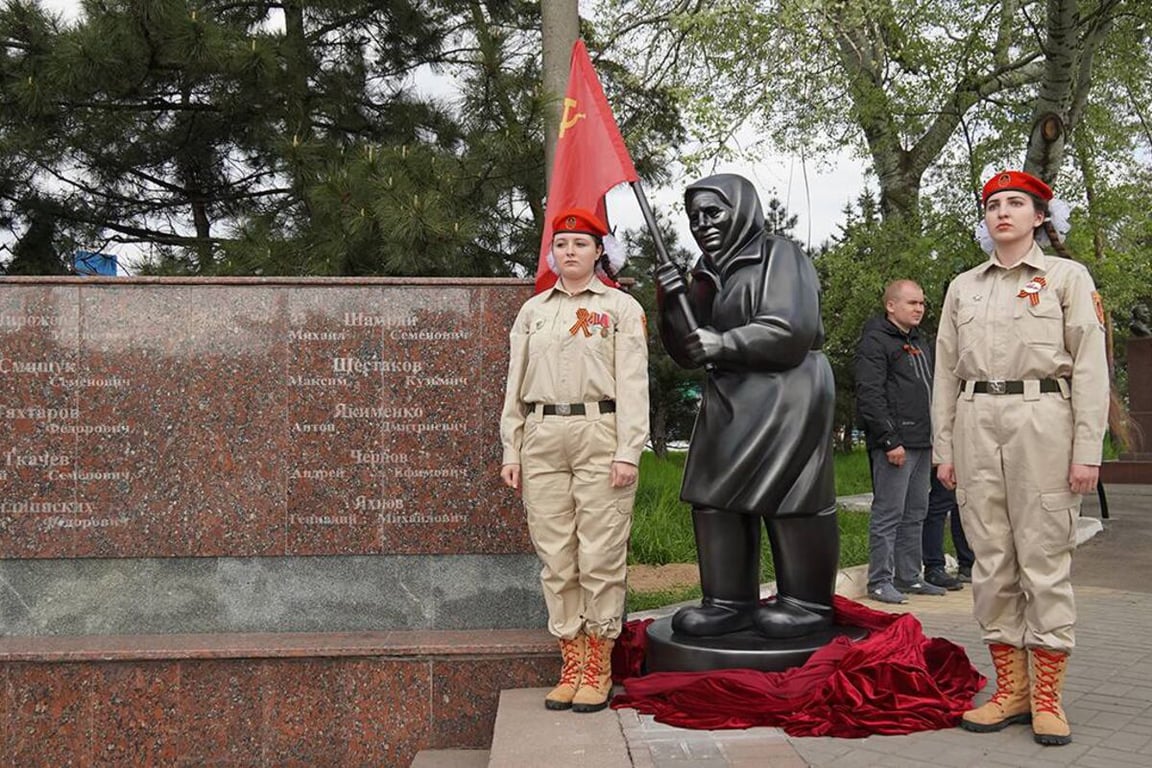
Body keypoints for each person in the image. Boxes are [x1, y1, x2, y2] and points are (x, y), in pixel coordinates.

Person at [933, 170, 1109, 747]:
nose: (1002, 211)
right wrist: (944, 447)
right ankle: (1011, 691)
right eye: (992, 204)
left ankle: (1048, 698)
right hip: (976, 420)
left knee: (1043, 560)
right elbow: (944, 373)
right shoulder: (964, 287)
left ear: (1040, 217)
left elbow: (1089, 367)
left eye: (1016, 203)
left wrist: (1088, 450)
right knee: (990, 562)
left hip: (1044, 422)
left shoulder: (1066, 277)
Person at [655, 173, 839, 640]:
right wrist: (671, 304)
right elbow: (687, 352)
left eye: (712, 212)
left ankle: (806, 601)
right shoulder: (705, 269)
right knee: (713, 494)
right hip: (728, 396)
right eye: (694, 216)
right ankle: (727, 600)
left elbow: (791, 328)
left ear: (741, 208)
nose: (702, 224)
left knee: (791, 493)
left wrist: (725, 342)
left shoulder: (780, 254)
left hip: (787, 392)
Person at [499, 207, 649, 713]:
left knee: (600, 555)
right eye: (561, 244)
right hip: (542, 434)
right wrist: (511, 446)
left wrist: (629, 450)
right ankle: (571, 659)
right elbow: (515, 385)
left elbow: (633, 384)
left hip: (599, 433)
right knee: (557, 557)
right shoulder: (533, 311)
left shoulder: (619, 309)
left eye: (580, 244)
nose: (569, 252)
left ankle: (598, 662)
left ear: (598, 252)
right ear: (551, 253)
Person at [855, 280, 947, 604]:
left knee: (915, 512)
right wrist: (889, 439)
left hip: (923, 441)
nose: (919, 309)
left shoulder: (921, 343)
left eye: (922, 303)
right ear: (891, 306)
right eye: (912, 303)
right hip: (895, 444)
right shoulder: (876, 342)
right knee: (889, 513)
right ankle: (879, 581)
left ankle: (909, 576)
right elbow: (870, 394)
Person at [922, 472, 974, 587]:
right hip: (945, 458)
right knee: (942, 499)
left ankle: (968, 563)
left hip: (967, 457)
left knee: (964, 501)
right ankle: (934, 567)